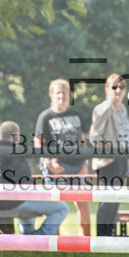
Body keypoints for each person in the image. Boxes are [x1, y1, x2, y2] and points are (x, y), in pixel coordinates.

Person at [0, 121, 69, 236]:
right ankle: (39, 238)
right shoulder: (15, 154)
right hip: (13, 202)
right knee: (62, 208)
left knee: (27, 199)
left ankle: (28, 236)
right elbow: (25, 183)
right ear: (17, 138)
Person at [35, 79, 91, 236]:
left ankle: (86, 241)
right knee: (56, 206)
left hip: (77, 166)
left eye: (65, 91)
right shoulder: (45, 117)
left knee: (83, 204)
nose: (62, 95)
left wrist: (85, 164)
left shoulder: (76, 114)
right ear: (51, 94)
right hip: (55, 168)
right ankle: (56, 243)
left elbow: (83, 141)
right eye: (58, 92)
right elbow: (37, 143)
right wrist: (46, 162)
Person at [90, 74, 129, 236]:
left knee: (116, 199)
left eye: (122, 87)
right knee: (106, 200)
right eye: (114, 87)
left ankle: (110, 234)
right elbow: (95, 136)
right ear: (107, 89)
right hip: (108, 161)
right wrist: (109, 153)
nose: (118, 90)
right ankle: (102, 236)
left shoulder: (123, 108)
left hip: (123, 159)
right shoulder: (103, 108)